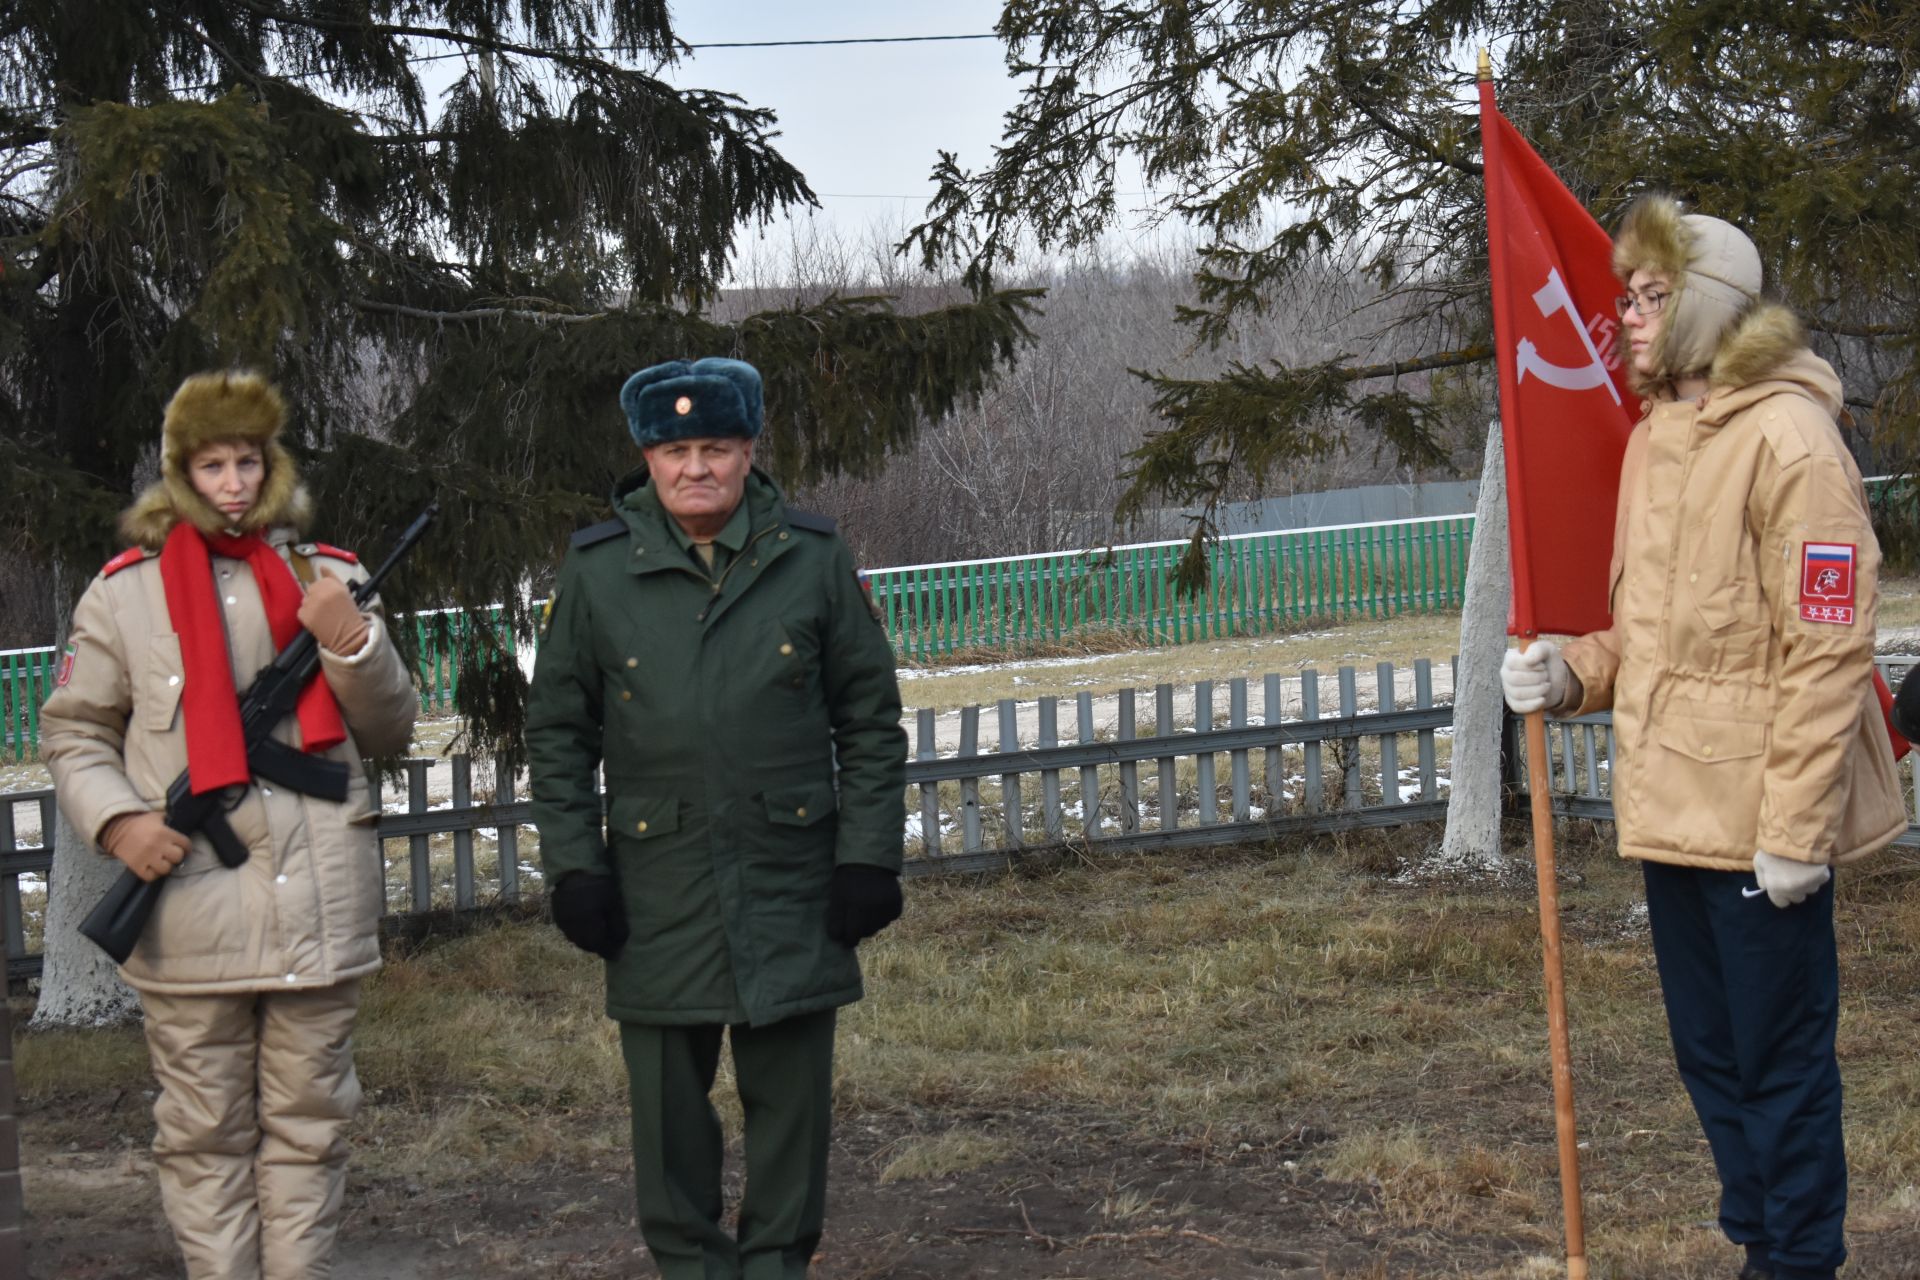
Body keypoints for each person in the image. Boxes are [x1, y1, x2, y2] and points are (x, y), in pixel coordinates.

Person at [1500, 196, 1904, 1280]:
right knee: (1712, 1058)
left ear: (1709, 308)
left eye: (1651, 297)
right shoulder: (1657, 441)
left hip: (1762, 823)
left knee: (1779, 1066)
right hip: (1672, 810)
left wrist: (1794, 832)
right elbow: (1650, 634)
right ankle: (1761, 1246)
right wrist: (1570, 670)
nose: (1626, 316)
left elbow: (1826, 652)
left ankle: (1798, 1259)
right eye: (1625, 297)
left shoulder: (1792, 438)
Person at [526, 356, 907, 1280]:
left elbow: (869, 718)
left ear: (748, 452)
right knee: (666, 1114)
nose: (697, 467)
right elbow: (559, 732)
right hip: (656, 889)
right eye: (675, 449)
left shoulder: (811, 557)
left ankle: (776, 1266)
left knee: (791, 1109)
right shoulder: (598, 570)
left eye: (717, 448)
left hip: (793, 879)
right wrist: (577, 867)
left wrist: (868, 858)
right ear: (647, 459)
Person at [41, 371, 416, 1280]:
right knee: (203, 1136)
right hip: (189, 908)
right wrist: (121, 824)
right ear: (181, 473)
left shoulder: (332, 576)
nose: (236, 483)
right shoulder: (124, 594)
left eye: (250, 461)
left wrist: (351, 646)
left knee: (309, 1129)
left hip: (318, 905)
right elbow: (75, 731)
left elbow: (390, 727)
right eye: (213, 465)